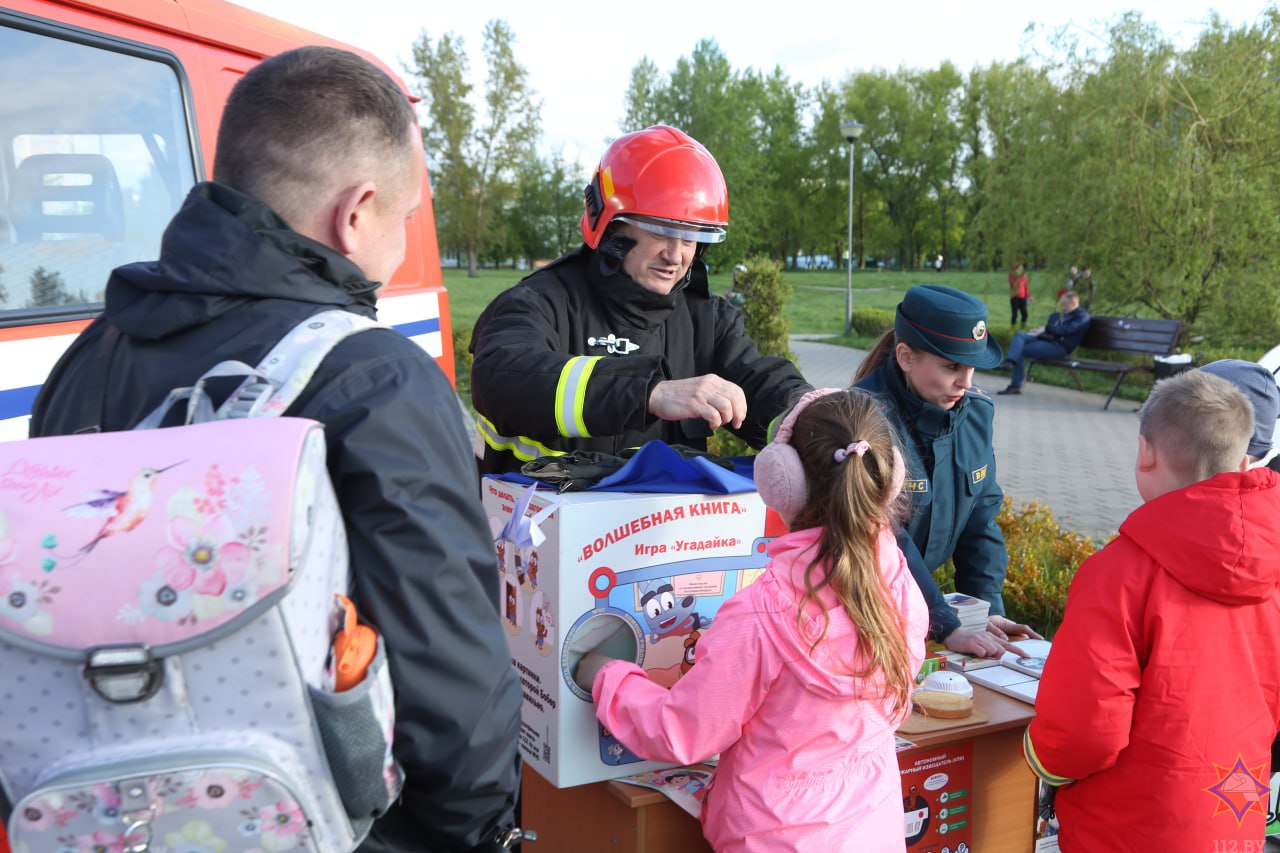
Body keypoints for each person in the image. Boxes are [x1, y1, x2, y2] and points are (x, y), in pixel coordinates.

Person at [28, 47, 522, 853]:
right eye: (404, 218)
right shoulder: (377, 380)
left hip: (110, 820)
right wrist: (475, 830)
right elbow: (452, 697)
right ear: (356, 212)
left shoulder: (90, 354)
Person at [574, 388, 928, 851]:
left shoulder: (762, 610)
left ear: (781, 480)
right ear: (889, 477)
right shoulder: (898, 580)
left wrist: (607, 675)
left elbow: (682, 733)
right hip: (873, 833)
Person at [1023, 369, 1280, 851]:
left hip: (1127, 827)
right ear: (1245, 461)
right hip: (1235, 811)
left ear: (1145, 453)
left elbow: (1085, 731)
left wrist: (1042, 761)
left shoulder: (1118, 573)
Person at [469, 125, 809, 475]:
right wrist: (650, 393)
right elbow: (502, 376)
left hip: (660, 529)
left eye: (691, 239)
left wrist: (811, 415)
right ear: (611, 225)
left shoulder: (706, 320)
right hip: (534, 525)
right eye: (661, 232)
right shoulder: (538, 302)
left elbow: (758, 381)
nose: (676, 256)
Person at [853, 285, 1041, 658]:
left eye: (971, 366)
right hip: (863, 611)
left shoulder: (976, 413)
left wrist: (985, 612)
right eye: (951, 366)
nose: (966, 382)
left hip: (925, 607)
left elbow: (981, 524)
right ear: (905, 357)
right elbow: (883, 537)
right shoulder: (861, 421)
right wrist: (946, 623)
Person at [997, 290, 1091, 396]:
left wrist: (1046, 328)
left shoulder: (1082, 317)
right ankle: (1009, 362)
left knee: (1021, 351)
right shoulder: (1069, 314)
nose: (1062, 307)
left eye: (1064, 304)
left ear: (1073, 303)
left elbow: (1066, 330)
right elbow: (1057, 331)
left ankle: (1015, 385)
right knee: (1020, 335)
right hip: (1051, 341)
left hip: (1060, 348)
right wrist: (1039, 332)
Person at [1008, 261, 1029, 327]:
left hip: (1023, 297)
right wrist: (1019, 278)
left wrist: (1028, 295)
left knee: (1025, 314)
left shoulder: (1024, 276)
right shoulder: (1011, 275)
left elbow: (1025, 286)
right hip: (1015, 297)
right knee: (1015, 314)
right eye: (1018, 269)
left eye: (1021, 268)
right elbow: (1013, 285)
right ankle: (1013, 327)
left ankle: (1023, 326)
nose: (1020, 270)